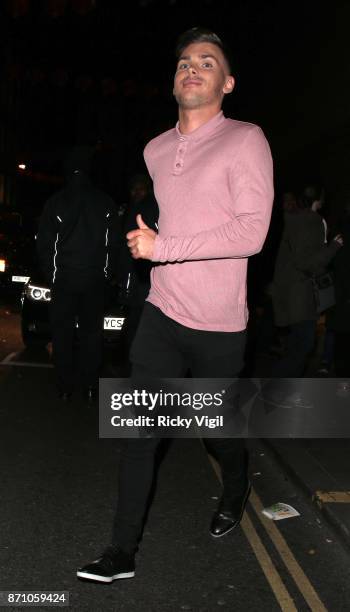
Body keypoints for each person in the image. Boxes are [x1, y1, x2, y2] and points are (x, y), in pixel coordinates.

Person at [77, 27, 273, 583]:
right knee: (140, 434)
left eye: (207, 62)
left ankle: (236, 486)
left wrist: (167, 248)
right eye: (185, 61)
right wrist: (152, 247)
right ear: (175, 78)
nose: (193, 68)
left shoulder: (246, 139)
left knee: (217, 433)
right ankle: (120, 554)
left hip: (218, 323)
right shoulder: (156, 149)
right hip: (161, 313)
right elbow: (182, 213)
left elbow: (253, 232)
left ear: (227, 82)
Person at [36, 146, 121, 402]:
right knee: (91, 335)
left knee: (62, 334)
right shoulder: (105, 202)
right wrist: (106, 274)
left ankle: (64, 386)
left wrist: (53, 276)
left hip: (64, 280)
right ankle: (91, 386)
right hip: (94, 280)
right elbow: (113, 244)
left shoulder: (56, 202)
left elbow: (45, 244)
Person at [271, 184, 343, 377]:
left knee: (296, 346)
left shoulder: (295, 219)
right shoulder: (313, 221)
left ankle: (281, 393)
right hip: (301, 296)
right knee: (302, 347)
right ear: (319, 199)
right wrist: (334, 246)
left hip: (289, 292)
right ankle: (274, 391)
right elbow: (307, 262)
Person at [117, 174, 159, 358]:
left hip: (144, 280)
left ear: (148, 189)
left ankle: (134, 361)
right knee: (135, 320)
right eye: (133, 189)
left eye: (140, 188)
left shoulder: (148, 208)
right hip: (137, 278)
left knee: (138, 322)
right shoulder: (131, 208)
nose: (136, 192)